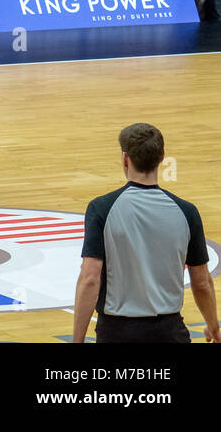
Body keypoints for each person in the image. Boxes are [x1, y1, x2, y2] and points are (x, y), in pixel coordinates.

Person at [74, 123, 219, 344]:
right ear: (162, 158)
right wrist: (213, 326)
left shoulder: (101, 208)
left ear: (125, 158)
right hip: (169, 332)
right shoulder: (186, 212)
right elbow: (201, 283)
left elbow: (90, 279)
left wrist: (77, 340)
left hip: (117, 332)